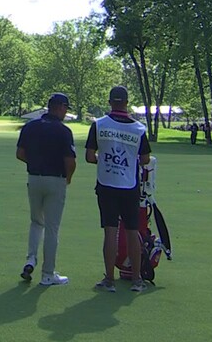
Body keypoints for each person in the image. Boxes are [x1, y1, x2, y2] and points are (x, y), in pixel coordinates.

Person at [86, 85, 151, 293]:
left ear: (109, 102)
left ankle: (109, 280)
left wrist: (105, 161)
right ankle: (137, 280)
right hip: (129, 185)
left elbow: (89, 156)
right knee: (132, 232)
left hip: (106, 183)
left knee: (110, 232)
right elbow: (145, 159)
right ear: (126, 102)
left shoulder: (99, 125)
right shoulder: (138, 128)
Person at [15, 92, 76, 287]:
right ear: (59, 107)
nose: (66, 112)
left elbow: (20, 153)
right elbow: (71, 162)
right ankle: (48, 274)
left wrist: (34, 163)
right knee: (51, 228)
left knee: (36, 222)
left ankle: (30, 260)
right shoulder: (63, 131)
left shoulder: (30, 126)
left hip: (34, 178)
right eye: (65, 108)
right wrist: (68, 178)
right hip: (55, 180)